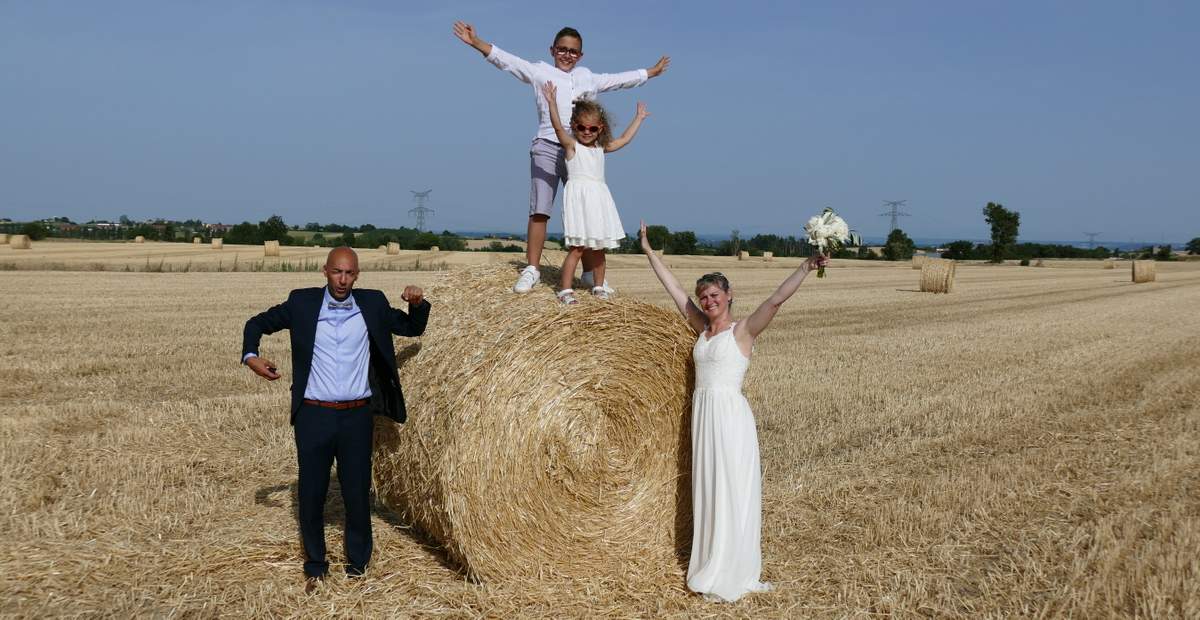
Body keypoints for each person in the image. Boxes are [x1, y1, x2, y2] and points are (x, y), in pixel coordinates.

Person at [639, 221, 828, 602]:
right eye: (703, 297)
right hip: (703, 417)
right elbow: (674, 292)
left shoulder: (742, 332)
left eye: (713, 295)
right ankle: (710, 561)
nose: (707, 302)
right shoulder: (701, 331)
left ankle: (732, 570)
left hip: (729, 418)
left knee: (729, 489)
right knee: (709, 490)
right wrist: (647, 251)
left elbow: (776, 299)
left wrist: (806, 267)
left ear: (728, 295)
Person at [241, 247, 431, 593]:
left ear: (357, 275)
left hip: (357, 416)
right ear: (324, 271)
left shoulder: (371, 304)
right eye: (336, 272)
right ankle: (316, 565)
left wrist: (417, 304)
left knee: (357, 494)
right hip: (314, 414)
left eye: (349, 274)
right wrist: (251, 356)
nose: (342, 280)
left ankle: (357, 565)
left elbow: (411, 328)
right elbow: (256, 324)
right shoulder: (301, 303)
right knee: (311, 493)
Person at [452, 21, 669, 294]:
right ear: (552, 50)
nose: (567, 55)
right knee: (540, 208)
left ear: (581, 55)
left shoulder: (588, 77)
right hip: (547, 145)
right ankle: (532, 270)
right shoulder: (541, 71)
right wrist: (477, 42)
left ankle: (590, 275)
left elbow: (618, 80)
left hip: (580, 152)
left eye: (573, 51)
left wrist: (650, 72)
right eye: (562, 49)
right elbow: (508, 62)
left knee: (588, 214)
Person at [542, 81, 647, 303]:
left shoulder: (601, 148)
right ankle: (565, 290)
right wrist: (551, 102)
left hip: (599, 199)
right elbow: (558, 127)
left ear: (601, 128)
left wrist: (638, 119)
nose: (586, 132)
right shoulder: (572, 147)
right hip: (579, 199)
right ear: (575, 125)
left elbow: (624, 140)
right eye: (581, 127)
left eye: (592, 128)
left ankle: (599, 287)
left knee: (599, 248)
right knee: (577, 248)